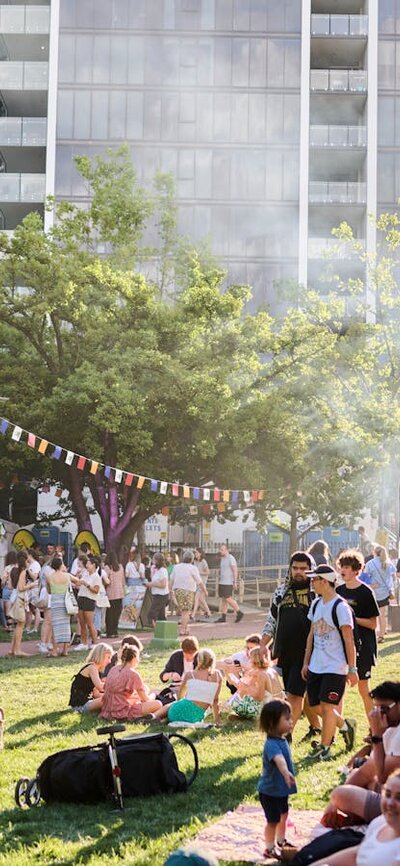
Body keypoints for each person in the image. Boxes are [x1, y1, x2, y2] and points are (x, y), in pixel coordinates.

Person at [260, 550, 321, 736]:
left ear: (311, 570)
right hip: (285, 651)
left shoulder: (317, 593)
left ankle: (285, 736)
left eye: (304, 568)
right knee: (304, 695)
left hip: (308, 653)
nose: (299, 572)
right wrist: (263, 644)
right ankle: (318, 728)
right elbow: (272, 620)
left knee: (294, 695)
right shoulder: (281, 591)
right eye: (295, 568)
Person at [301, 564, 358, 761]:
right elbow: (311, 635)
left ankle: (325, 748)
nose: (312, 584)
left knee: (326, 707)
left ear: (324, 581)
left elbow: (349, 640)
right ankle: (345, 726)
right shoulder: (316, 604)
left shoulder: (341, 607)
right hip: (316, 665)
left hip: (335, 667)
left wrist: (352, 668)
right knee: (312, 704)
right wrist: (306, 662)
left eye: (314, 580)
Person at [309, 769, 400, 866]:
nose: (390, 803)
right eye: (388, 795)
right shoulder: (380, 823)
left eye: (399, 798)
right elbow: (358, 854)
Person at [337, 549, 379, 718]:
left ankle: (375, 728)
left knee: (363, 688)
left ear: (356, 570)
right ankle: (335, 730)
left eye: (347, 566)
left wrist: (352, 619)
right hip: (341, 647)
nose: (343, 570)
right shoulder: (338, 591)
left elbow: (373, 624)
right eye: (341, 566)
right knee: (339, 689)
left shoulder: (366, 592)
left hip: (363, 647)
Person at [257, 699, 297, 861]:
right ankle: (269, 847)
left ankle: (281, 840)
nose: (291, 722)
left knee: (284, 814)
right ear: (273, 723)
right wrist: (286, 772)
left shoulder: (281, 739)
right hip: (270, 791)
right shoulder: (271, 745)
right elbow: (279, 760)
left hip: (280, 790)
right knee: (273, 820)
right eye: (287, 719)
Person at [153, 648, 222, 725]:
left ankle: (154, 717)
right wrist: (217, 721)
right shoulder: (218, 675)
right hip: (196, 716)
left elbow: (180, 695)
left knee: (173, 705)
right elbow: (215, 701)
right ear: (212, 661)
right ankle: (160, 720)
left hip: (177, 711)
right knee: (179, 710)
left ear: (198, 660)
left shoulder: (190, 674)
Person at [100, 645, 162, 721]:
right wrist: (153, 695)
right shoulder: (133, 674)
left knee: (137, 696)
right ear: (134, 657)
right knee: (158, 704)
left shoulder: (113, 669)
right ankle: (140, 717)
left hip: (107, 710)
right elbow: (145, 699)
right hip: (122, 712)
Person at [226, 646, 284, 720]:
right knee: (246, 693)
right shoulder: (271, 670)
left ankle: (245, 716)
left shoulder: (262, 674)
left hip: (271, 709)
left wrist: (246, 688)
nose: (248, 661)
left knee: (236, 704)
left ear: (254, 660)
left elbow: (259, 697)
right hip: (280, 707)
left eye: (250, 658)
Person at [169, 549, 207, 636]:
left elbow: (171, 580)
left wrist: (170, 590)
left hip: (178, 591)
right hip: (188, 591)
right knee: (185, 611)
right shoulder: (193, 568)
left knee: (184, 611)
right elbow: (199, 581)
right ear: (192, 559)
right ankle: (182, 629)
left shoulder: (176, 567)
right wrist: (205, 590)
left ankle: (185, 628)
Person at [69, 642, 113, 713]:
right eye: (108, 657)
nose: (110, 661)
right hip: (80, 705)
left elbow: (96, 694)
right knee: (110, 699)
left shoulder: (96, 670)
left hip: (86, 702)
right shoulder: (91, 668)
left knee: (112, 698)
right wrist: (116, 689)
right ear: (101, 655)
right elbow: (100, 687)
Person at [364, 545, 396, 642]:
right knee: (383, 615)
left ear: (374, 552)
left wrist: (372, 585)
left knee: (372, 615)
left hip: (373, 591)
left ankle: (373, 634)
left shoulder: (370, 563)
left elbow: (365, 577)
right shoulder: (388, 563)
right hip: (385, 592)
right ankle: (382, 635)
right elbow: (393, 577)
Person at [46, 556, 75, 657]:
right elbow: (77, 580)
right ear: (60, 565)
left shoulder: (49, 576)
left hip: (55, 602)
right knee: (66, 625)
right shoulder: (67, 576)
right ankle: (65, 650)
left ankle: (54, 650)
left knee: (55, 626)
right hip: (65, 602)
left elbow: (49, 591)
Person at [74, 554, 103, 650]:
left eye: (89, 564)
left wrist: (86, 584)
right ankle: (84, 643)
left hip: (89, 599)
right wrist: (77, 576)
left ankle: (95, 642)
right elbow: (77, 584)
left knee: (90, 623)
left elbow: (96, 590)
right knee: (82, 622)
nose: (87, 566)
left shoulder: (96, 577)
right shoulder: (85, 574)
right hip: (81, 597)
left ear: (94, 565)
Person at [7, 550, 29, 657]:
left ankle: (12, 649)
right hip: (20, 598)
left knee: (17, 625)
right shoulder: (23, 571)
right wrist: (32, 585)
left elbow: (10, 587)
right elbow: (21, 588)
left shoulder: (12, 570)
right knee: (21, 624)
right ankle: (17, 650)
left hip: (13, 597)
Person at [216, 543, 243, 624]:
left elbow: (235, 570)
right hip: (222, 581)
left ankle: (239, 612)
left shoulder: (231, 558)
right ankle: (223, 616)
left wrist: (235, 582)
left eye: (222, 550)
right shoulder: (222, 558)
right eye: (220, 549)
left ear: (227, 550)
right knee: (224, 599)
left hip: (228, 582)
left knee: (228, 598)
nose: (220, 551)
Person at [104, 550, 125, 638]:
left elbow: (106, 581)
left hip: (110, 593)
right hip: (119, 592)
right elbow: (123, 580)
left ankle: (110, 631)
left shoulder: (107, 567)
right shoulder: (120, 567)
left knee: (109, 613)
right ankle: (115, 631)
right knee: (116, 613)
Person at [146, 552, 169, 626]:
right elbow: (153, 579)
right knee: (161, 615)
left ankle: (155, 626)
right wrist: (152, 571)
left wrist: (151, 584)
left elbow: (163, 584)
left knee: (152, 613)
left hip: (161, 595)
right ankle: (163, 628)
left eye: (153, 559)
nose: (152, 561)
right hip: (156, 594)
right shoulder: (156, 570)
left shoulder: (163, 570)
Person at [192, 548, 211, 620]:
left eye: (196, 553)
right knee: (201, 599)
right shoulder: (195, 561)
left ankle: (193, 614)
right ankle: (208, 612)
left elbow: (208, 572)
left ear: (200, 553)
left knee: (197, 598)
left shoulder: (203, 562)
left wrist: (199, 573)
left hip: (202, 581)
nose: (195, 554)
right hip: (196, 582)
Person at [1, 550, 17, 630]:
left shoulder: (7, 568)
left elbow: (3, 580)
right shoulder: (18, 567)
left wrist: (2, 586)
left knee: (7, 609)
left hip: (7, 588)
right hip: (16, 589)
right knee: (14, 608)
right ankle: (16, 625)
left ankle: (9, 627)